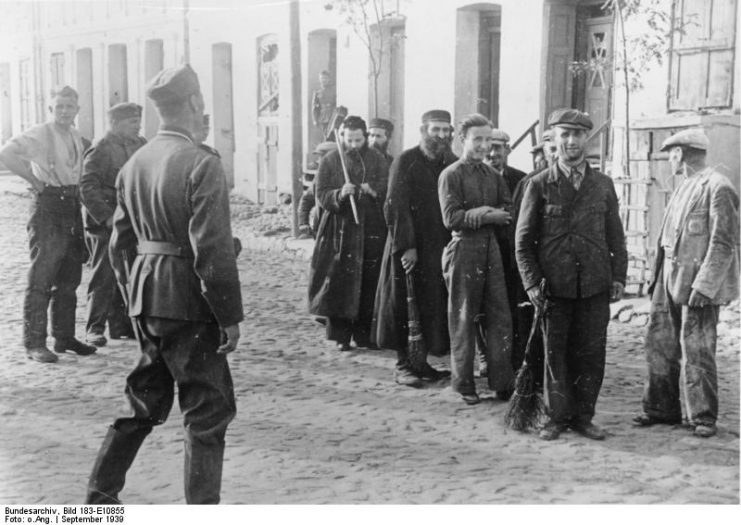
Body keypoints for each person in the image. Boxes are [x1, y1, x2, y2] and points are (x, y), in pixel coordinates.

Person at [85, 64, 243, 504]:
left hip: (146, 299)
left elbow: (120, 245)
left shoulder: (135, 162)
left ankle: (99, 496)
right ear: (194, 103)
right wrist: (229, 316)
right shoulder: (201, 162)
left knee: (144, 401)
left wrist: (136, 292)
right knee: (208, 411)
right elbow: (212, 250)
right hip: (190, 303)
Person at [516, 108, 627, 441]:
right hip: (555, 286)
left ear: (586, 139)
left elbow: (616, 237)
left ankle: (584, 416)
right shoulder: (538, 185)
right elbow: (522, 242)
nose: (571, 141)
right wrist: (532, 282)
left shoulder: (603, 185)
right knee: (555, 353)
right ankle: (557, 417)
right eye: (565, 134)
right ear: (553, 139)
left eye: (578, 135)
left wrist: (618, 276)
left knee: (592, 354)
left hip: (595, 284)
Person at [633, 128, 739, 438]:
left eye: (671, 154)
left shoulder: (718, 188)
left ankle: (703, 417)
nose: (669, 160)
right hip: (668, 280)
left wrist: (705, 287)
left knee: (698, 350)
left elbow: (723, 244)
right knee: (660, 344)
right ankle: (660, 409)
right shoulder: (681, 188)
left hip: (697, 286)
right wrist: (656, 283)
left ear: (680, 153)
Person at [0, 85, 97, 363]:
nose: (65, 111)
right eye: (60, 107)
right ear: (51, 109)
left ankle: (64, 338)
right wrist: (33, 181)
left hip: (71, 205)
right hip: (48, 205)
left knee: (69, 276)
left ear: (77, 110)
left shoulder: (76, 136)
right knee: (42, 276)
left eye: (70, 106)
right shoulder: (40, 133)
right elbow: (5, 153)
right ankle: (34, 343)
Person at [373, 110, 458, 387]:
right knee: (403, 303)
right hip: (407, 246)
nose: (442, 136)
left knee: (430, 304)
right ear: (424, 130)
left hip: (438, 246)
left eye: (446, 130)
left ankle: (422, 363)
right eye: (436, 130)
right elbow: (394, 206)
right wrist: (407, 246)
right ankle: (403, 365)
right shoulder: (406, 160)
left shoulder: (451, 162)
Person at [438, 113, 515, 405]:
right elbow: (451, 219)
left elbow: (507, 212)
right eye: (477, 139)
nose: (484, 146)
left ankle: (501, 381)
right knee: (463, 317)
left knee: (500, 317)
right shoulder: (451, 175)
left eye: (488, 139)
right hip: (462, 250)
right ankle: (463, 384)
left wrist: (485, 215)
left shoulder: (493, 176)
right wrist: (485, 213)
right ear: (462, 140)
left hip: (490, 249)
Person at [308, 115, 388, 351]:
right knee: (339, 282)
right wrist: (340, 194)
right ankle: (341, 336)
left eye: (358, 139)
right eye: (349, 139)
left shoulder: (377, 159)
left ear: (365, 137)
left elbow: (386, 187)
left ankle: (364, 335)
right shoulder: (331, 160)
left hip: (370, 229)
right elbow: (321, 194)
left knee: (368, 280)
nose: (354, 145)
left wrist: (372, 190)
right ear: (341, 136)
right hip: (339, 229)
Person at [79, 102, 147, 347]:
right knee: (104, 274)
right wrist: (107, 217)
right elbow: (87, 187)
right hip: (105, 224)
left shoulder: (140, 144)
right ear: (115, 123)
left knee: (127, 270)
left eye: (138, 121)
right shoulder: (101, 149)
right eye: (132, 121)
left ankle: (121, 327)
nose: (137, 125)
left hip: (130, 221)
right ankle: (94, 329)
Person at [481, 128, 528, 377]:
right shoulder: (473, 176)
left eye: (498, 147)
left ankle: (511, 360)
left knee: (510, 307)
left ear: (507, 150)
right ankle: (484, 354)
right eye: (488, 145)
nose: (492, 152)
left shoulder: (521, 179)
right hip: (481, 251)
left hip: (509, 254)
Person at [298, 141, 337, 239]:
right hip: (321, 228)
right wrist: (303, 222)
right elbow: (307, 199)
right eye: (319, 158)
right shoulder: (319, 177)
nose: (319, 161)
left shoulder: (346, 177)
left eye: (322, 157)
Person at [312, 70, 337, 140]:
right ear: (319, 80)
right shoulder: (317, 92)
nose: (324, 80)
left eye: (325, 78)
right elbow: (315, 107)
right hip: (323, 116)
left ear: (329, 79)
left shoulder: (334, 90)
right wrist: (315, 119)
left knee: (334, 134)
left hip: (333, 114)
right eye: (322, 78)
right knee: (326, 135)